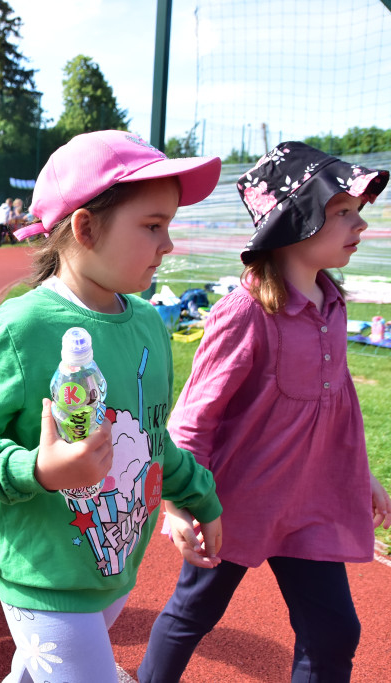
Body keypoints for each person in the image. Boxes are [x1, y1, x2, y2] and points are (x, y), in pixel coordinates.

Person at [0, 130, 224, 682]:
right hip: (43, 575)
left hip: (111, 565)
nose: (169, 245)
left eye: (169, 225)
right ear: (85, 228)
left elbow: (153, 438)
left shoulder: (150, 326)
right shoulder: (21, 329)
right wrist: (38, 468)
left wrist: (199, 495)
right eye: (153, 226)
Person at [139, 142, 391, 683]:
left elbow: (336, 402)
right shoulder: (246, 313)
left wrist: (361, 475)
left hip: (314, 503)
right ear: (297, 222)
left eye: (359, 213)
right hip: (235, 503)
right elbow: (194, 419)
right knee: (194, 614)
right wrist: (181, 504)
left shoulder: (333, 305)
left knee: (333, 634)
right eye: (344, 212)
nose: (360, 225)